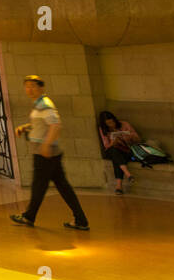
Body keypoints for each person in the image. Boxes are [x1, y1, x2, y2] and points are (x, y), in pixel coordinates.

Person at [11, 76, 89, 231]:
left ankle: (29, 216)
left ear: (41, 87)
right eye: (26, 86)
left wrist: (46, 145)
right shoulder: (39, 104)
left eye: (32, 86)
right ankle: (80, 219)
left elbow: (55, 125)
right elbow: (42, 124)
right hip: (49, 152)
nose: (29, 89)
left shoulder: (45, 105)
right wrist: (26, 127)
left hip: (45, 153)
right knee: (61, 186)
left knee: (39, 186)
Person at [97, 111, 139, 195]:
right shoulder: (103, 129)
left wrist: (127, 137)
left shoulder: (124, 124)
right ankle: (127, 175)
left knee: (116, 159)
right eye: (108, 123)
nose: (111, 124)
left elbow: (137, 138)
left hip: (126, 150)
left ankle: (119, 186)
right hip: (113, 150)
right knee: (114, 151)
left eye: (112, 122)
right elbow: (106, 145)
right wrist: (113, 142)